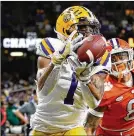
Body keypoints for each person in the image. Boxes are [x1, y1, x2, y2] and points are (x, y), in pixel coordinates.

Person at [31, 6, 111, 136]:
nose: (89, 33)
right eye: (83, 27)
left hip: (74, 127)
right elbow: (43, 91)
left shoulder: (101, 55)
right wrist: (57, 60)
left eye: (92, 28)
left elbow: (93, 103)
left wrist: (85, 79)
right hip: (44, 126)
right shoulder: (51, 46)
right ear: (66, 28)